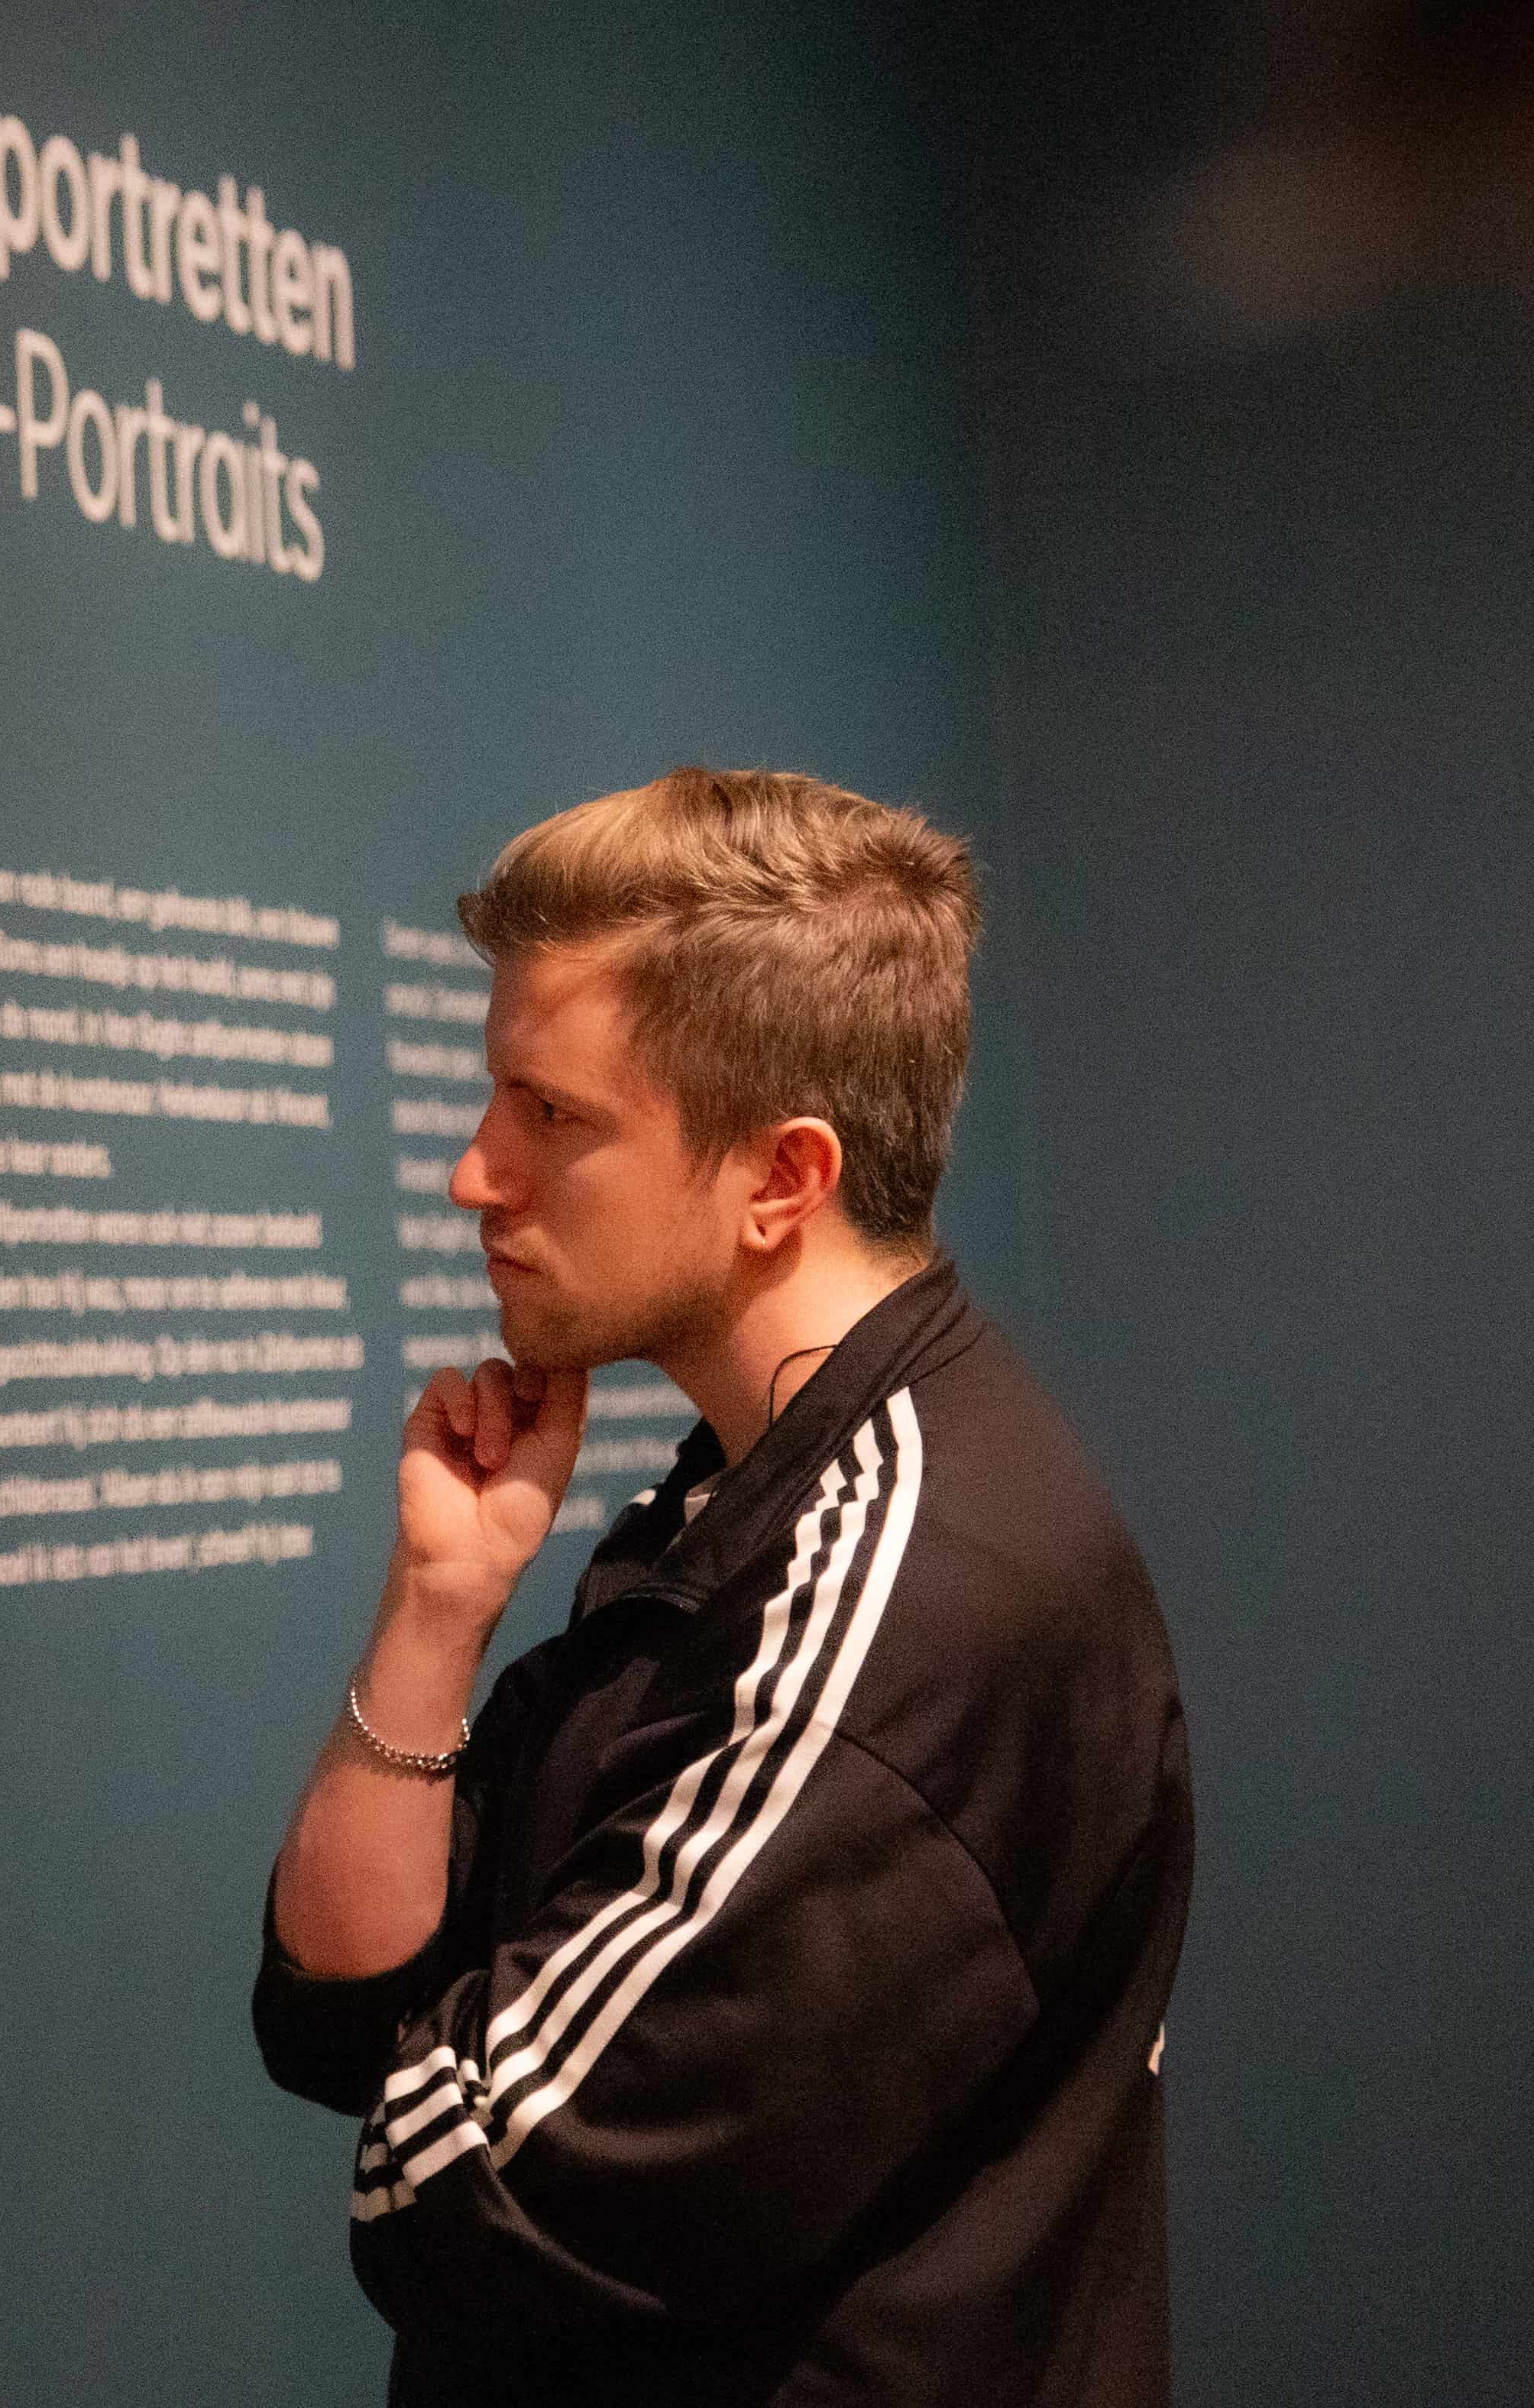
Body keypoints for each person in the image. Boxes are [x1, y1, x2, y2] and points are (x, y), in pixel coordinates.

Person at [255, 769, 1193, 2404]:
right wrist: (438, 1611)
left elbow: (458, 2196)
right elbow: (336, 2023)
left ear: (780, 1176)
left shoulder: (914, 1590)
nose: (475, 1175)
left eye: (550, 1115)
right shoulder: (746, 1484)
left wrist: (437, 2073)